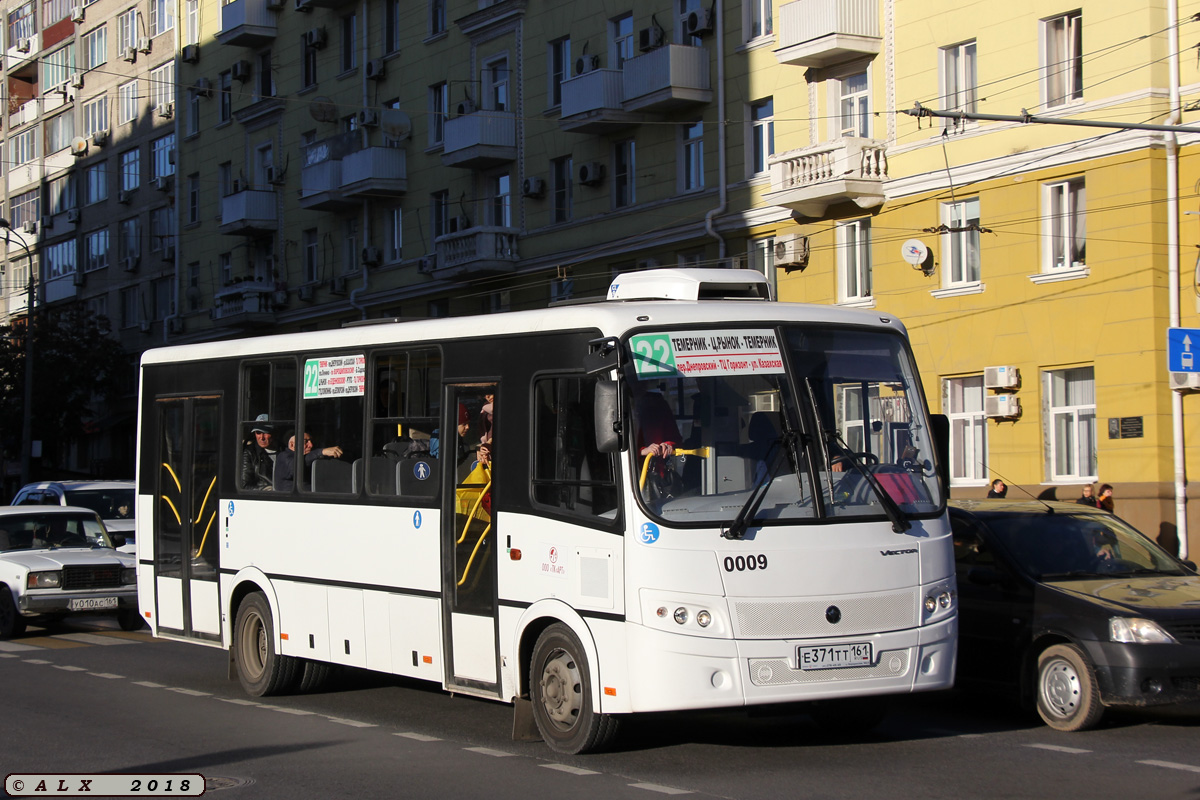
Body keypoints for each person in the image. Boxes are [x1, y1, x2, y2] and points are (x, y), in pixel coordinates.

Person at [274, 432, 343, 492]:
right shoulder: (283, 456)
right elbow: (295, 468)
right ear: (292, 445)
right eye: (305, 441)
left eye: (311, 441)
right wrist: (321, 452)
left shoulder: (309, 458)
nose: (311, 445)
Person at [241, 414, 278, 490]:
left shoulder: (284, 451)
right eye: (258, 433)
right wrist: (265, 490)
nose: (262, 437)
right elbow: (244, 485)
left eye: (265, 432)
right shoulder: (250, 452)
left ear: (274, 433)